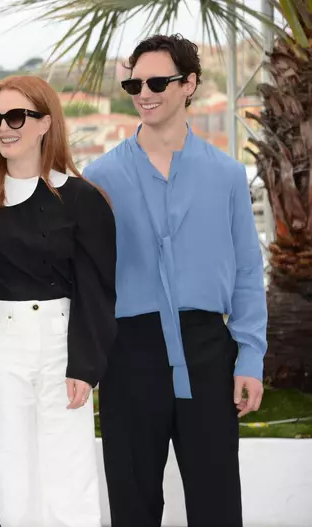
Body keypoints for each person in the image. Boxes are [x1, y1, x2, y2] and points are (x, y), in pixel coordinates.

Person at [84, 34, 267, 527]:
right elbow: (89, 278)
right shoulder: (99, 176)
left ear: (189, 85)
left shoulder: (227, 175)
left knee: (217, 505)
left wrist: (250, 355)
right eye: (133, 83)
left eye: (158, 81)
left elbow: (249, 270)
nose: (144, 92)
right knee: (133, 504)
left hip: (208, 350)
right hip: (129, 354)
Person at [0, 75, 116, 526]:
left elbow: (96, 290)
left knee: (68, 469)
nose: (4, 127)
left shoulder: (81, 198)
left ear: (45, 123)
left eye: (16, 116)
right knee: (7, 467)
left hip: (60, 346)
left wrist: (85, 366)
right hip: (0, 350)